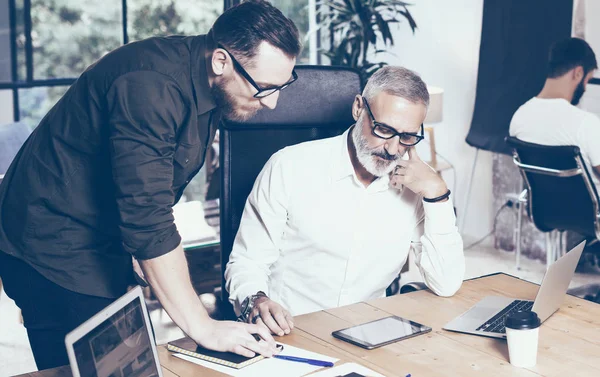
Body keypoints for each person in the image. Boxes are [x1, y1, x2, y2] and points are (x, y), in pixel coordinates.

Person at [0, 0, 300, 370]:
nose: (272, 104)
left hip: (100, 239)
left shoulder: (207, 82)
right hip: (49, 244)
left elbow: (153, 187)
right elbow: (147, 219)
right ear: (221, 60)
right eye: (264, 88)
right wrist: (204, 328)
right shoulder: (150, 85)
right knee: (93, 368)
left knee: (129, 362)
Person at [225, 66, 465, 336]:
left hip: (370, 335)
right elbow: (247, 263)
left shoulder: (417, 185)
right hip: (291, 333)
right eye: (384, 129)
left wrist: (438, 194)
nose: (393, 149)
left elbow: (446, 284)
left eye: (408, 137)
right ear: (358, 108)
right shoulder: (289, 167)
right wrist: (257, 301)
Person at [510, 37, 599, 188]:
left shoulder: (519, 117)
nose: (585, 88)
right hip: (588, 211)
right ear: (578, 73)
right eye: (587, 80)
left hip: (541, 211)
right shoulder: (586, 123)